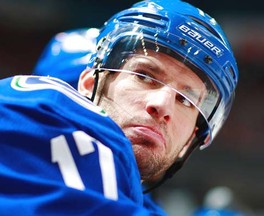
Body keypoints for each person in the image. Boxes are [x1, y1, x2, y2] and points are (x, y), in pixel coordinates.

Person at [0, 0, 239, 215]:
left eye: (185, 100)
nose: (162, 105)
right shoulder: (40, 106)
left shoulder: (128, 191)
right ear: (89, 82)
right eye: (144, 76)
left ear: (189, 141)